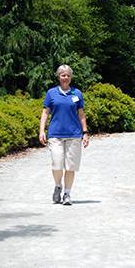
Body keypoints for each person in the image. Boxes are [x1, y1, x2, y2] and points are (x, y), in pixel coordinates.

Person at [39, 64, 89, 205]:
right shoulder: (51, 93)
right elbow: (45, 113)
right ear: (59, 77)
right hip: (55, 134)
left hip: (74, 135)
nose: (65, 77)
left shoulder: (77, 93)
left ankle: (67, 193)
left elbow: (81, 114)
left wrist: (85, 132)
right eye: (63, 75)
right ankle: (57, 186)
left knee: (71, 167)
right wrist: (42, 130)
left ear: (71, 77)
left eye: (67, 75)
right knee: (57, 164)